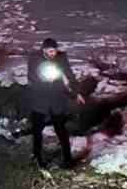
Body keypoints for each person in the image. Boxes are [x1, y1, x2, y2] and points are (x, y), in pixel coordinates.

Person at [25, 37, 85, 168]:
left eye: (55, 51)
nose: (53, 53)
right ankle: (37, 158)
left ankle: (68, 159)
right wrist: (42, 78)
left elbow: (69, 75)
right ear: (44, 50)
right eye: (50, 51)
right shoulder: (35, 58)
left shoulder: (61, 58)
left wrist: (76, 93)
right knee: (37, 130)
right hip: (40, 100)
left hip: (56, 99)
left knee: (61, 129)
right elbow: (31, 76)